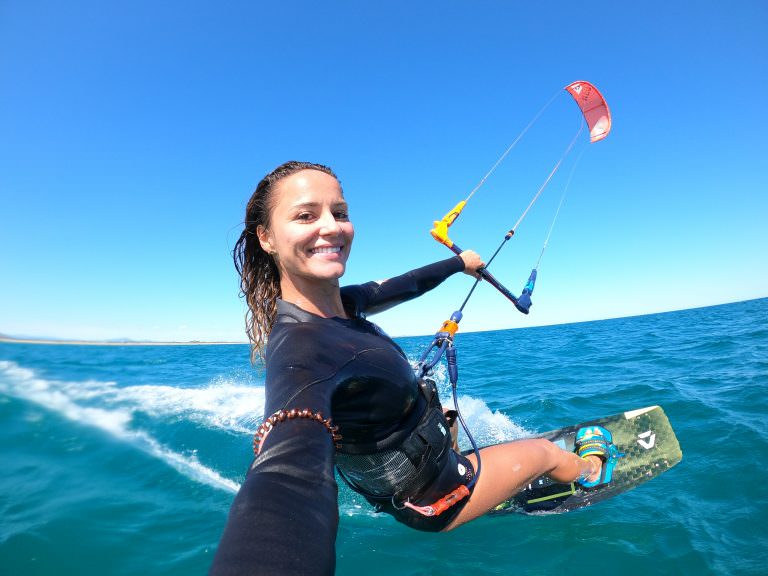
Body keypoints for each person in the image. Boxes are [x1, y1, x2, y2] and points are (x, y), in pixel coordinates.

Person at [210, 161, 614, 575]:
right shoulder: (302, 350)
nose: (331, 226)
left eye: (340, 212)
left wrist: (461, 264)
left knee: (447, 414)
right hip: (435, 497)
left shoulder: (342, 306)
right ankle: (590, 469)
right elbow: (285, 470)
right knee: (546, 452)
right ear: (266, 237)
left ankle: (483, 478)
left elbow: (402, 285)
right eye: (305, 215)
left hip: (421, 464)